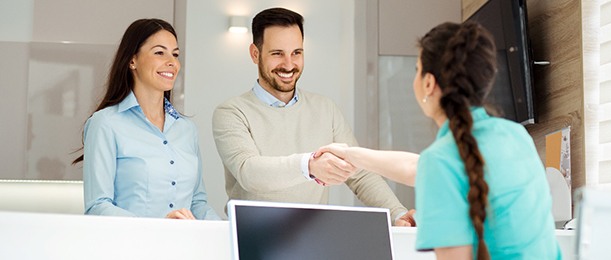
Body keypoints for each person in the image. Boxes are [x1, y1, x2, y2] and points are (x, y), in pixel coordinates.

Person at [316, 22, 561, 259]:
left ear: (429, 83)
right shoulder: (515, 135)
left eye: (417, 69)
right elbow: (417, 167)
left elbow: (430, 168)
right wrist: (351, 154)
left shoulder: (441, 161)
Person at [212, 7, 413, 225]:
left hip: (311, 237)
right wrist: (309, 165)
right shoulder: (231, 112)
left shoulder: (325, 109)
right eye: (277, 53)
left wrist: (397, 213)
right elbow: (249, 172)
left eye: (296, 53)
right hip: (251, 238)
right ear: (255, 54)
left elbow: (360, 174)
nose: (289, 65)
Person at [73, 18, 219, 220]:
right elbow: (98, 206)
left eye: (175, 54)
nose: (172, 62)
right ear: (132, 60)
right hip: (131, 247)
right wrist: (157, 227)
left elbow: (197, 203)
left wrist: (225, 231)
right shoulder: (105, 123)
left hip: (183, 247)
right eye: (159, 52)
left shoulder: (187, 129)